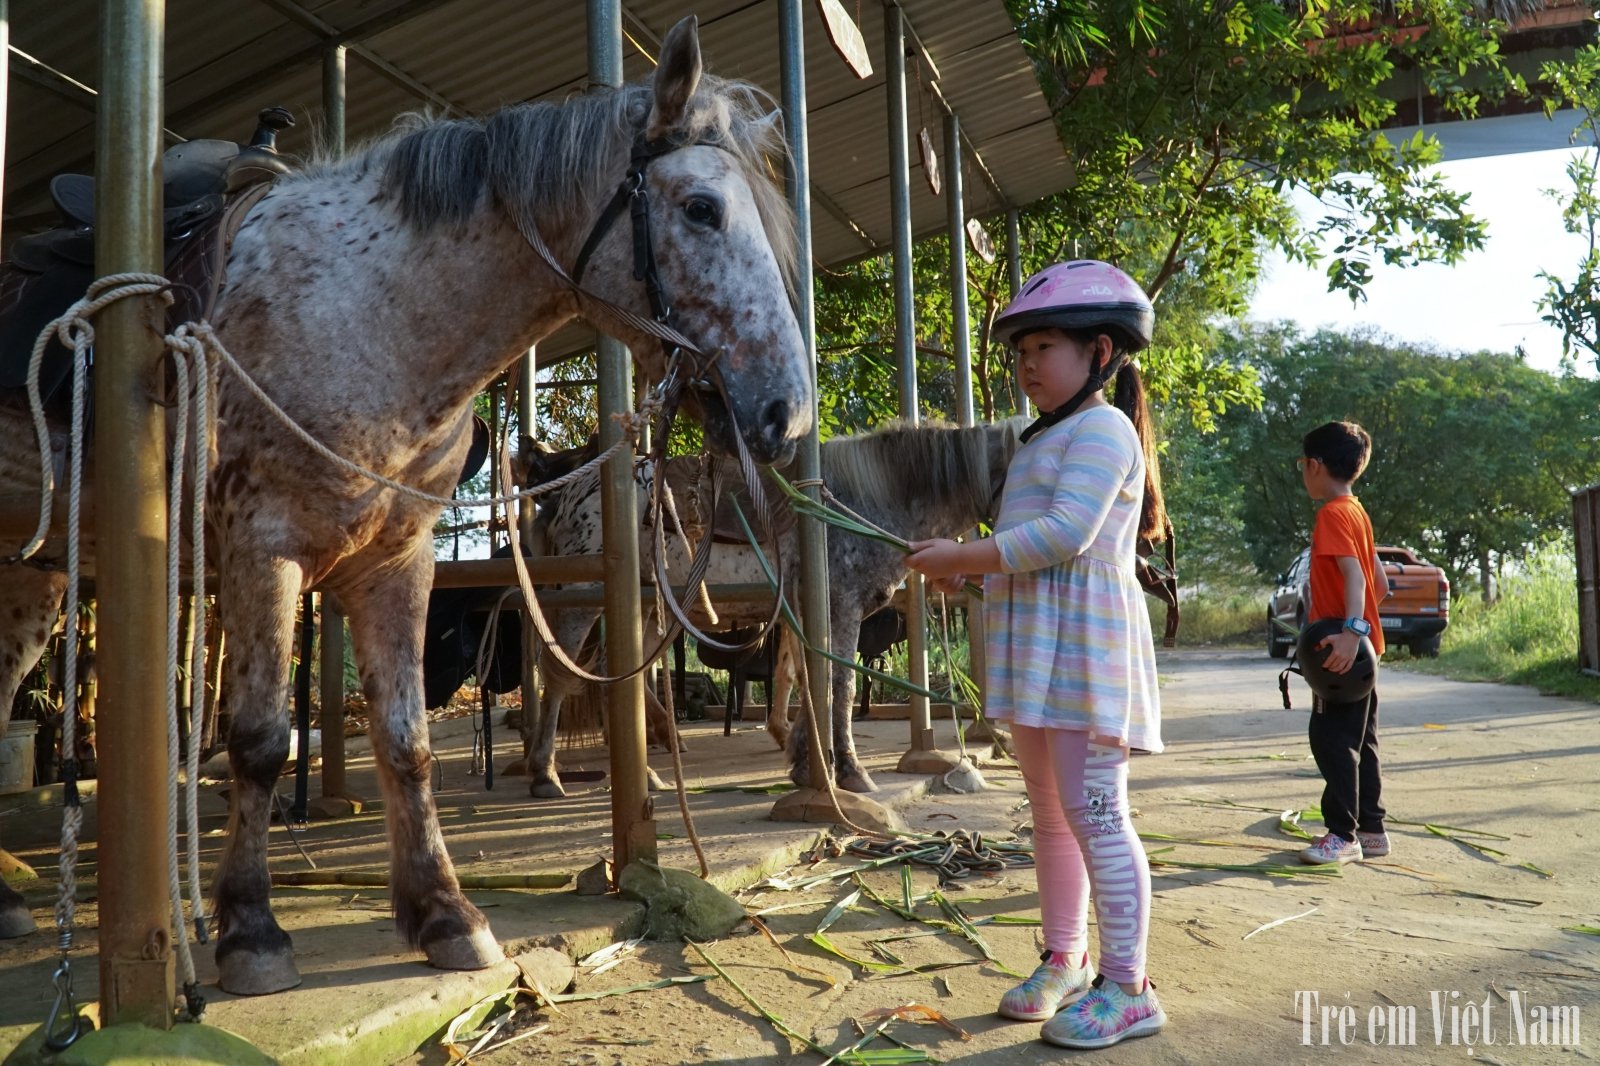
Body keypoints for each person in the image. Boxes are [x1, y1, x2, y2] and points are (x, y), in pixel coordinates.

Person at [906, 260, 1167, 1050]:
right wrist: (972, 575)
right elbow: (1026, 556)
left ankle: (1129, 986)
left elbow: (1064, 538)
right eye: (1020, 349)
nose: (1026, 363)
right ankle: (1065, 958)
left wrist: (961, 558)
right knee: (1051, 819)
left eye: (1042, 346)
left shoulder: (1105, 430)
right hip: (1037, 656)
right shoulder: (1041, 439)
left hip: (1086, 658)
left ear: (1100, 352)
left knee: (1096, 815)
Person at [1295, 420, 1391, 865]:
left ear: (1315, 466)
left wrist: (1350, 634)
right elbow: (1381, 583)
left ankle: (1342, 835)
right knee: (1361, 741)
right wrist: (1364, 627)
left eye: (1303, 465)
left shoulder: (1332, 514)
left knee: (1331, 739)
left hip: (1344, 656)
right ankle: (1372, 830)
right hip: (1365, 659)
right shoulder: (1357, 511)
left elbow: (1356, 575)